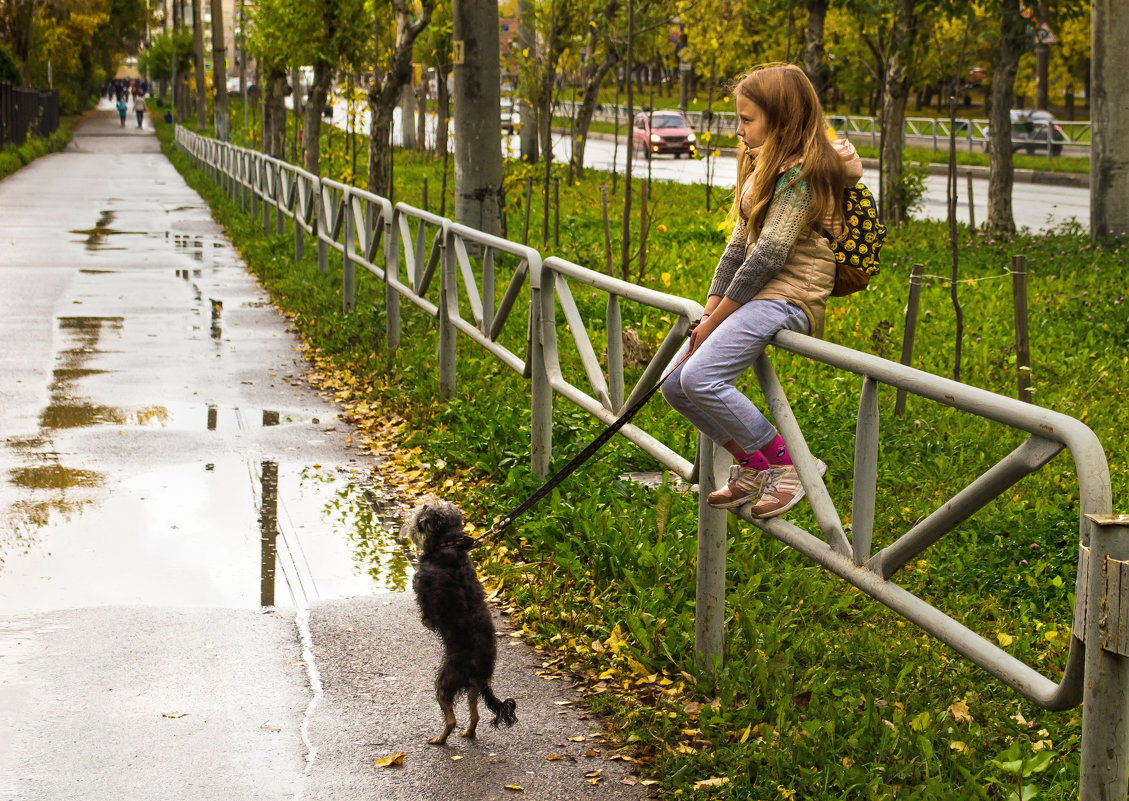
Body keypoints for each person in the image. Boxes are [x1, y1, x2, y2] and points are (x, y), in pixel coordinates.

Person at [660, 63, 863, 519]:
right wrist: (708, 312)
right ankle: (753, 464)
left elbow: (769, 255)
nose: (740, 129)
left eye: (748, 119)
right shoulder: (762, 166)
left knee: (700, 377)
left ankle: (793, 466)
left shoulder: (802, 174)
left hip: (790, 297)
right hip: (759, 294)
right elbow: (738, 246)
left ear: (782, 118)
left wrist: (714, 323)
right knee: (673, 383)